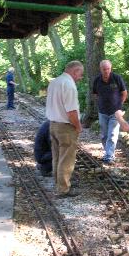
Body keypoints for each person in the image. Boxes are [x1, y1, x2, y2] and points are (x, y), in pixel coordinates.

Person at [46, 61, 84, 198]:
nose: (81, 77)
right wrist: (78, 126)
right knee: (67, 158)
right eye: (80, 74)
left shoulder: (54, 82)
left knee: (57, 156)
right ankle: (63, 189)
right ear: (75, 71)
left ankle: (58, 183)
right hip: (66, 127)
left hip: (53, 125)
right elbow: (72, 112)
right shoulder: (69, 85)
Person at [93, 60, 127, 165]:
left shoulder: (117, 78)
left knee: (112, 134)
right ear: (100, 69)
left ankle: (109, 156)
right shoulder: (97, 80)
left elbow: (124, 93)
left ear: (111, 68)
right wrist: (99, 103)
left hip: (115, 112)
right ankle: (107, 152)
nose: (106, 71)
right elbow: (95, 94)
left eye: (108, 69)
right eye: (104, 69)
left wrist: (119, 106)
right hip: (102, 111)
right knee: (104, 135)